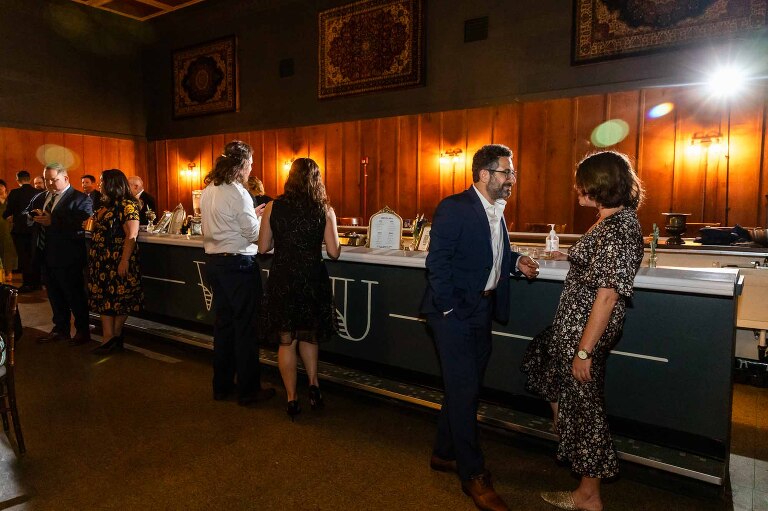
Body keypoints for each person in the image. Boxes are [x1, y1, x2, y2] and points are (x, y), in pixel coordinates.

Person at [522, 151, 644, 511]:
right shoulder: (609, 220)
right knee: (542, 359)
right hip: (571, 326)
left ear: (600, 185)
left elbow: (607, 295)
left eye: (583, 183)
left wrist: (584, 351)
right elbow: (596, 264)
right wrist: (569, 256)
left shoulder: (620, 228)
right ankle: (566, 424)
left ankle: (589, 494)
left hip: (584, 332)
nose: (577, 188)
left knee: (586, 411)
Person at [420, 144, 539, 511]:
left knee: (464, 389)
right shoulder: (454, 207)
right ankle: (473, 474)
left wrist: (515, 261)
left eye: (512, 172)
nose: (512, 179)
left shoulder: (496, 209)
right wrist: (450, 309)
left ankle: (443, 453)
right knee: (465, 391)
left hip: (482, 311)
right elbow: (437, 263)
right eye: (507, 172)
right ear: (485, 174)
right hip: (454, 314)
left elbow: (488, 253)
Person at [258, 158, 340, 421]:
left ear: (290, 178)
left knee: (287, 341)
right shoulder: (324, 209)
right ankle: (314, 385)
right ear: (316, 180)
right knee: (309, 334)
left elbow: (263, 247)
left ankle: (292, 399)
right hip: (312, 278)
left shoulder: (274, 206)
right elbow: (334, 251)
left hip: (283, 277)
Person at [200, 141, 275, 407]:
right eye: (250, 163)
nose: (252, 168)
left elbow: (221, 225)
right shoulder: (238, 192)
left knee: (224, 327)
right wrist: (262, 220)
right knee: (246, 328)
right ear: (241, 165)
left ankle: (221, 386)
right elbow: (253, 235)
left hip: (215, 263)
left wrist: (251, 215)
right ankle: (248, 390)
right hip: (238, 266)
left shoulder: (209, 190)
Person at [25, 163, 93, 345]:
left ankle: (82, 331)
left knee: (74, 295)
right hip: (45, 254)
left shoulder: (79, 198)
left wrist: (52, 221)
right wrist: (32, 215)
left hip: (68, 256)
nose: (49, 184)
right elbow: (26, 213)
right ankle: (60, 329)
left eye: (53, 180)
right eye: (46, 180)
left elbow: (82, 223)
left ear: (66, 178)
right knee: (54, 296)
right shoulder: (41, 196)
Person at [87, 169, 143, 355]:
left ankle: (114, 336)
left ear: (112, 184)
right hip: (102, 261)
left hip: (117, 258)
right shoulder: (106, 205)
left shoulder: (127, 205)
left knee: (121, 299)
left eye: (102, 181)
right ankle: (109, 337)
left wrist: (124, 260)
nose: (99, 185)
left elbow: (132, 234)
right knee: (104, 300)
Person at [3, 170, 42, 292]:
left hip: (20, 230)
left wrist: (7, 216)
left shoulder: (14, 193)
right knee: (35, 256)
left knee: (24, 258)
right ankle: (37, 283)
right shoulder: (38, 192)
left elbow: (8, 211)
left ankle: (27, 284)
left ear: (18, 180)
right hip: (35, 229)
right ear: (29, 179)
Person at [0, 180, 19, 282]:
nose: (0, 188)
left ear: (5, 187)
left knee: (9, 250)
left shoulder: (10, 198)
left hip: (9, 227)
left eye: (1, 186)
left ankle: (9, 272)